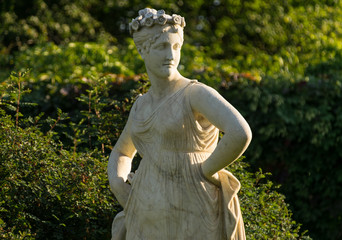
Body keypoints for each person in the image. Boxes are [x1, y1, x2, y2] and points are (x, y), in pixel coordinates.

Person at [107, 8, 252, 240]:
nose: (171, 55)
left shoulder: (194, 94)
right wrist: (118, 183)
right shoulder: (141, 105)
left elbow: (240, 132)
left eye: (176, 47)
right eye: (162, 47)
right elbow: (123, 152)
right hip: (146, 210)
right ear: (143, 51)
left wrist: (204, 171)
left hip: (193, 206)